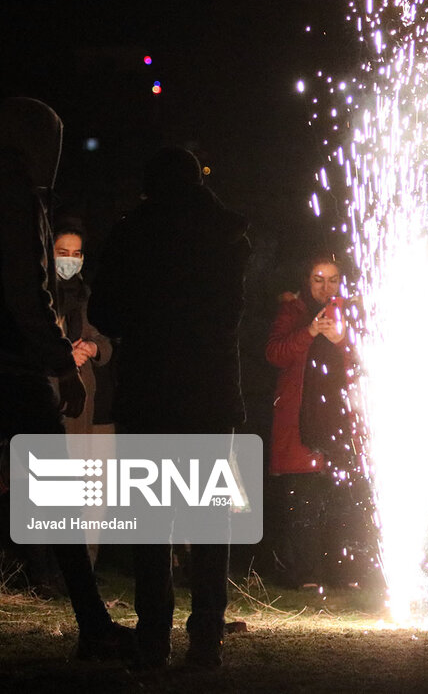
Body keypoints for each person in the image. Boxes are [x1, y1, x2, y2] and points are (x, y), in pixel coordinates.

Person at [89, 146, 250, 669]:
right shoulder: (226, 235)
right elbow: (231, 314)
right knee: (208, 520)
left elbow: (105, 310)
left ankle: (154, 636)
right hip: (208, 390)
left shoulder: (133, 233)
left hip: (151, 388)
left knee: (150, 520)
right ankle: (206, 638)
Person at [0, 97, 134, 660]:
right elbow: (25, 290)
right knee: (53, 489)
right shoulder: (15, 194)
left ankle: (89, 616)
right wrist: (60, 364)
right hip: (12, 365)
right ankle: (92, 623)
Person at [265, 254, 360, 589]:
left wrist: (341, 341)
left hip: (341, 424)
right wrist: (308, 332)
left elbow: (366, 361)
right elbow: (274, 354)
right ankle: (306, 575)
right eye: (318, 279)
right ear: (307, 280)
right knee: (303, 502)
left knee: (340, 502)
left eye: (332, 279)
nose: (325, 287)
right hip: (301, 423)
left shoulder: (352, 314)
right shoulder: (293, 311)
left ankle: (343, 574)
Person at [51, 220, 116, 562]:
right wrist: (63, 357)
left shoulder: (86, 297)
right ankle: (53, 570)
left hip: (92, 404)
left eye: (76, 254)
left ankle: (85, 568)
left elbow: (104, 341)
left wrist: (91, 348)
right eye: (63, 253)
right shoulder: (39, 298)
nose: (70, 261)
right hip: (58, 401)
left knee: (93, 492)